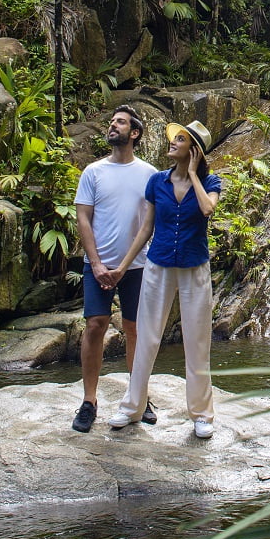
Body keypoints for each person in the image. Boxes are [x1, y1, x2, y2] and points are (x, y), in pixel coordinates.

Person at [107, 119, 223, 438]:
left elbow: (207, 209)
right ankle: (132, 407)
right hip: (157, 265)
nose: (172, 143)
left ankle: (202, 414)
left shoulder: (211, 182)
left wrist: (195, 174)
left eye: (181, 140)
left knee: (197, 340)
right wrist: (123, 265)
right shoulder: (157, 181)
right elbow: (146, 228)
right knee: (147, 335)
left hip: (194, 267)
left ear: (194, 150)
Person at [70, 105, 158, 433]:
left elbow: (148, 224)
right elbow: (83, 218)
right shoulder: (93, 172)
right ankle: (89, 400)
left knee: (135, 329)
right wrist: (95, 263)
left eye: (119, 122)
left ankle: (139, 398)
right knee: (95, 325)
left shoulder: (149, 174)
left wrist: (122, 266)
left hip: (136, 266)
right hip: (97, 264)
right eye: (111, 122)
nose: (112, 126)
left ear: (134, 133)